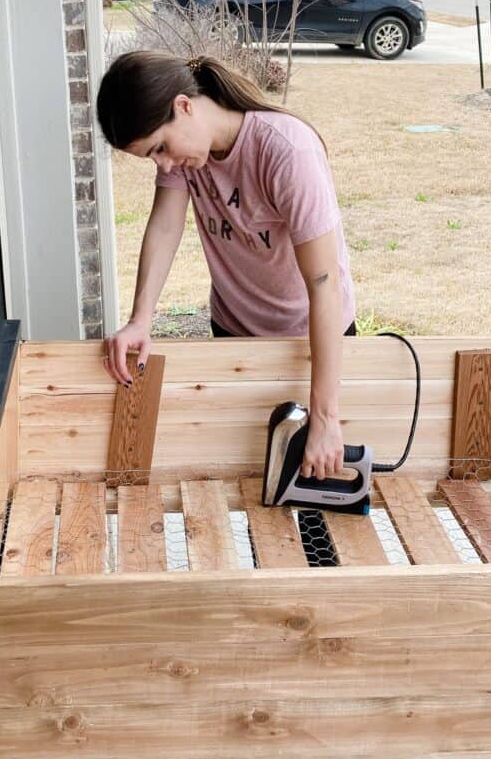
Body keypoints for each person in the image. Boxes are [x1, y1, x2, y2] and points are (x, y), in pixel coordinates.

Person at [96, 50, 356, 481]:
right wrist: (140, 320)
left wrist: (326, 418)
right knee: (253, 485)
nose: (163, 164)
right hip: (234, 331)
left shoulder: (286, 150)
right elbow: (164, 227)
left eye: (160, 147)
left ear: (184, 106)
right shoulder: (188, 157)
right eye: (151, 158)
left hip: (310, 340)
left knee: (316, 491)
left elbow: (324, 283)